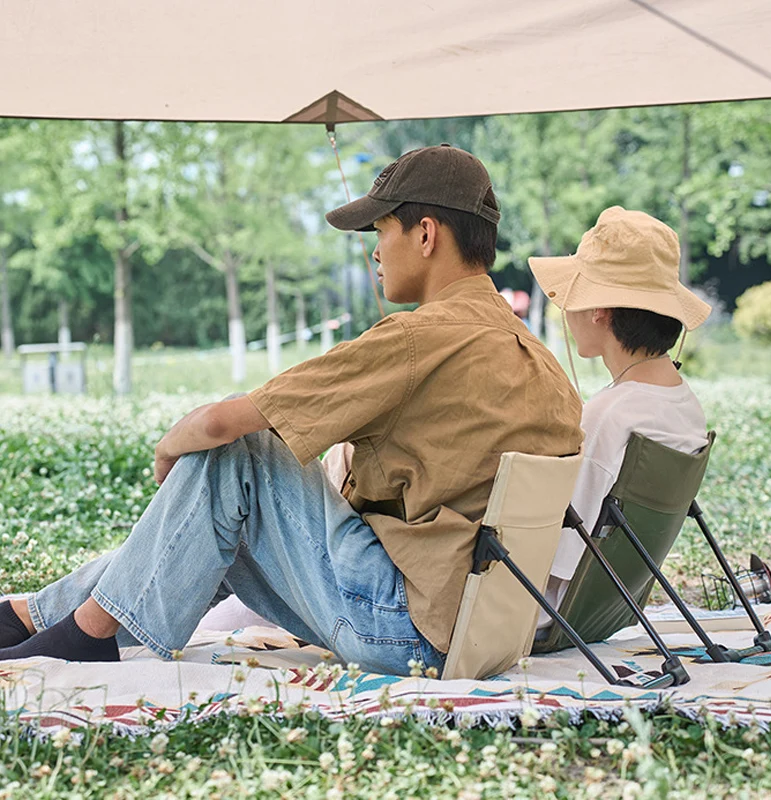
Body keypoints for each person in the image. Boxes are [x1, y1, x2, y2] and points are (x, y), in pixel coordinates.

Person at [0, 145, 583, 675]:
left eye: (381, 230)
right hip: (484, 628)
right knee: (220, 506)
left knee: (240, 451)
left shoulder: (418, 339)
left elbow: (222, 424)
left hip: (403, 627)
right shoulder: (539, 359)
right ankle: (36, 615)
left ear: (425, 234)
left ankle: (89, 634)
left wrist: (169, 448)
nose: (374, 252)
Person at [527, 206, 711, 628]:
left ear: (599, 310)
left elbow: (560, 559)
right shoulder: (686, 408)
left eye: (572, 296)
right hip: (611, 609)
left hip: (549, 615)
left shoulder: (609, 417)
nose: (565, 311)